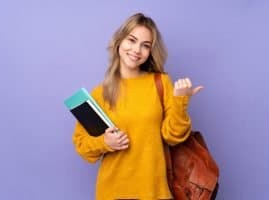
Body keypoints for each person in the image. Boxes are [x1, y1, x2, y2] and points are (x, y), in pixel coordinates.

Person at [72, 12, 203, 200]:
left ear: (150, 51)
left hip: (155, 191)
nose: (136, 50)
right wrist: (105, 143)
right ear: (119, 41)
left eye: (145, 45)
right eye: (131, 40)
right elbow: (82, 145)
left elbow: (173, 136)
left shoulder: (160, 82)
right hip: (112, 191)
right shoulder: (100, 93)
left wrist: (180, 102)